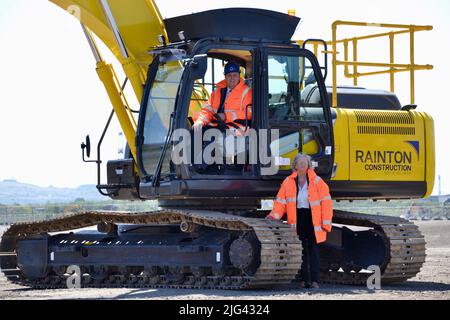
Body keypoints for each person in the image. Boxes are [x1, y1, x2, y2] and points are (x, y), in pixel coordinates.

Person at [266, 153, 333, 289]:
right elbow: (280, 202)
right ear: (295, 165)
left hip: (312, 219)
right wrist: (274, 216)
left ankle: (314, 281)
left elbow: (326, 204)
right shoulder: (288, 182)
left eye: (305, 162)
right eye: (300, 163)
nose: (302, 165)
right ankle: (304, 280)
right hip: (297, 219)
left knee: (313, 250)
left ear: (309, 165)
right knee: (301, 251)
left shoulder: (317, 181)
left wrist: (326, 223)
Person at [192, 62, 252, 136]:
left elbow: (249, 113)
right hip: (218, 125)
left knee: (213, 138)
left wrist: (226, 116)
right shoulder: (218, 90)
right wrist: (200, 121)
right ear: (225, 76)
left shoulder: (246, 92)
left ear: (239, 75)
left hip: (236, 128)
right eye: (229, 75)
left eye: (235, 75)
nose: (232, 78)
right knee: (194, 131)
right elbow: (208, 109)